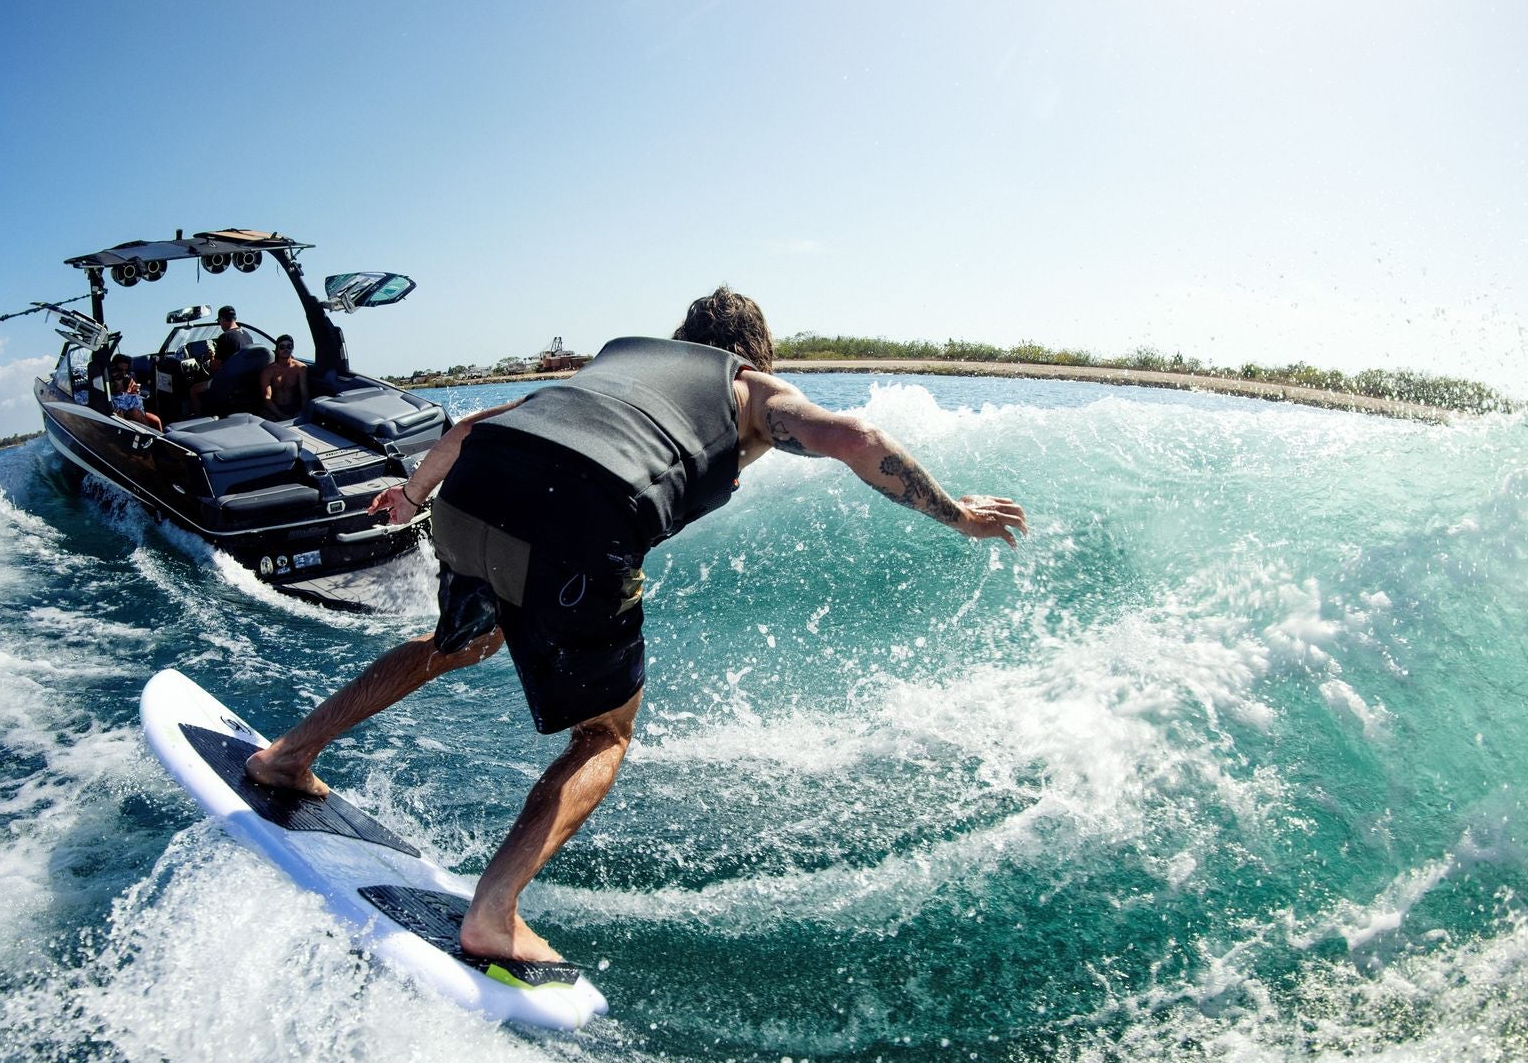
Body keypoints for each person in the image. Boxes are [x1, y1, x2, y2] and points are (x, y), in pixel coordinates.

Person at [244, 288, 1027, 963]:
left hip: (477, 491)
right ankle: (493, 914)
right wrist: (956, 514)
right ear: (754, 352)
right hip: (582, 515)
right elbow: (856, 439)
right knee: (603, 736)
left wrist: (410, 499)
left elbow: (473, 428)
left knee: (454, 642)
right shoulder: (753, 391)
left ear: (683, 336)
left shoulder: (622, 363)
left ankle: (286, 756)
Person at [105, 354, 163, 431]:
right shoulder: (108, 380)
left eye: (126, 370)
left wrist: (134, 392)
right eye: (120, 370)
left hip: (135, 411)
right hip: (118, 414)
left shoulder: (129, 380)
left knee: (156, 420)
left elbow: (137, 401)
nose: (123, 373)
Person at [261, 334, 309, 418]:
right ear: (277, 349)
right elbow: (266, 398)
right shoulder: (268, 370)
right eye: (282, 347)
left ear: (292, 348)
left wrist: (302, 412)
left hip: (294, 409)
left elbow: (304, 395)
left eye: (289, 346)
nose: (285, 349)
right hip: (274, 410)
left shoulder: (301, 368)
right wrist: (281, 415)